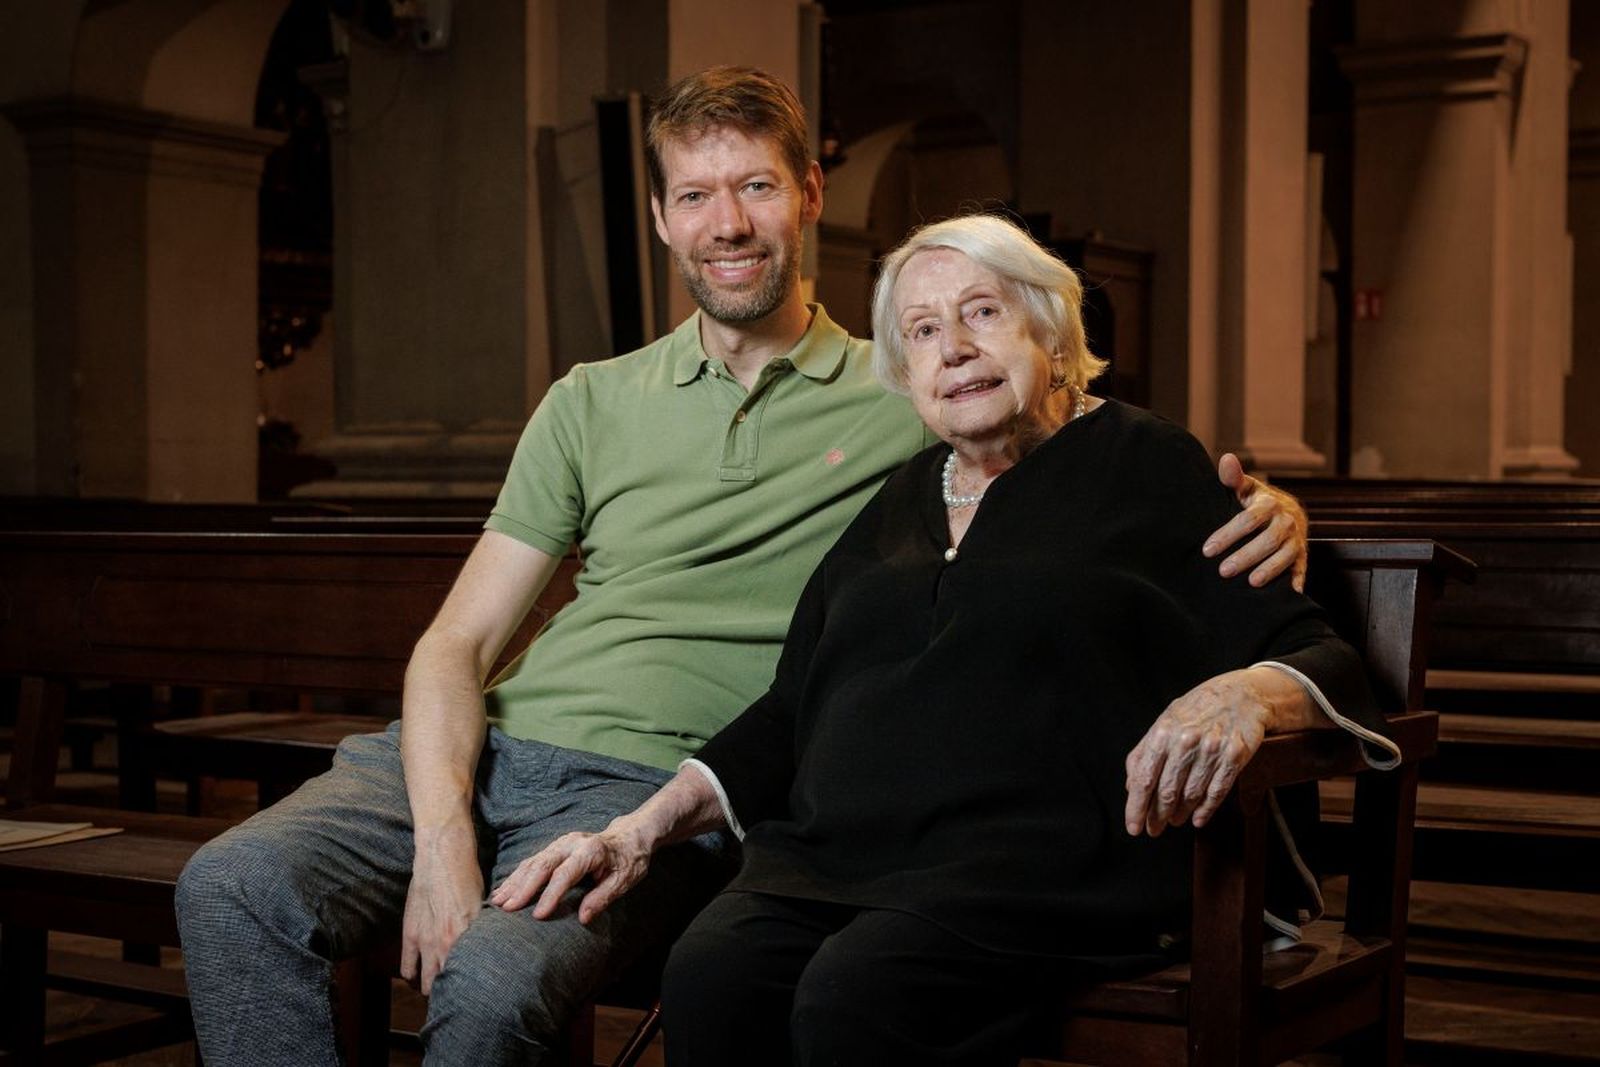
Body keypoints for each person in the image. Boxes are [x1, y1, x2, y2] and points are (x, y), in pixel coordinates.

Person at [176, 69, 1306, 1066]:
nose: (729, 222)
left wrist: (1269, 504)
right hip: (476, 755)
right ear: (663, 218)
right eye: (696, 195)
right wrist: (441, 839)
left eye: (756, 187)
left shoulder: (909, 382)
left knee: (495, 974)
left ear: (809, 195)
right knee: (227, 886)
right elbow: (455, 646)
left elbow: (1075, 437)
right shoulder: (588, 398)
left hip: (658, 784)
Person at [492, 213, 1400, 1067]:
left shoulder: (1147, 464)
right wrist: (636, 831)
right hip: (841, 856)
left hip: (1039, 864)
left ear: (1050, 332)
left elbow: (1313, 650)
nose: (953, 347)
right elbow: (791, 708)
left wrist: (1240, 691)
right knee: (711, 973)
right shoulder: (899, 496)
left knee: (856, 997)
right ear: (905, 372)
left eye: (981, 313)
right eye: (922, 331)